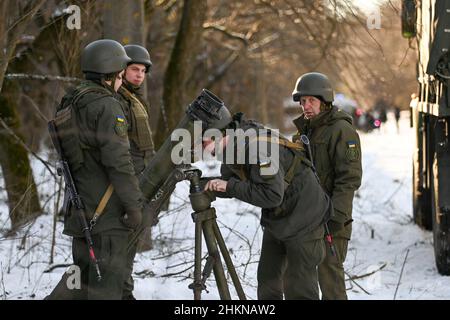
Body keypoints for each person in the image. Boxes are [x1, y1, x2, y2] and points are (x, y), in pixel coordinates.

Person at [45, 39, 144, 300]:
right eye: (121, 75)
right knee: (105, 291)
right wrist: (134, 208)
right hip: (106, 217)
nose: (123, 80)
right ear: (111, 74)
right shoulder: (108, 107)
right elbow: (119, 163)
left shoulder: (71, 101)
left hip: (81, 213)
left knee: (82, 285)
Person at [203, 113, 332, 300]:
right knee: (268, 282)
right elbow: (233, 183)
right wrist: (208, 184)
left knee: (299, 288)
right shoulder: (233, 147)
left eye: (204, 143)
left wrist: (228, 186)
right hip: (279, 218)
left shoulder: (260, 148)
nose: (203, 149)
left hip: (305, 216)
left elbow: (271, 195)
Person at [291, 72, 362, 300]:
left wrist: (336, 216)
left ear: (324, 100)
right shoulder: (304, 132)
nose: (306, 106)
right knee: (303, 280)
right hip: (308, 218)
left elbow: (349, 178)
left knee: (330, 280)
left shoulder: (342, 130)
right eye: (302, 101)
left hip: (332, 220)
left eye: (311, 100)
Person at [117, 44, 154, 300]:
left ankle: (124, 290)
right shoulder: (117, 99)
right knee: (124, 242)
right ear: (122, 69)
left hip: (141, 177)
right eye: (134, 70)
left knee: (131, 241)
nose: (139, 75)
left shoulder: (135, 99)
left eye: (142, 71)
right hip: (127, 180)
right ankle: (123, 292)